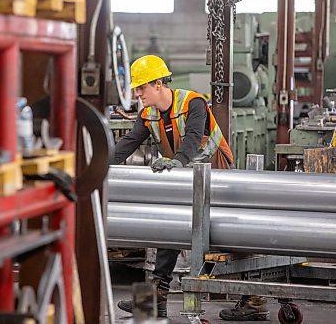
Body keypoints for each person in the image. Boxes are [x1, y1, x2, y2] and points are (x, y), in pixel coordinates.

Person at [114, 55, 268, 321]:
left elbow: (194, 138)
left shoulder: (193, 102)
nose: (137, 93)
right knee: (169, 226)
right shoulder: (147, 114)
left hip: (216, 172)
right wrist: (98, 165)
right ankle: (154, 298)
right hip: (184, 173)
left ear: (158, 84)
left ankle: (254, 300)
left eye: (141, 88)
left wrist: (176, 162)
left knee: (232, 230)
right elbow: (128, 143)